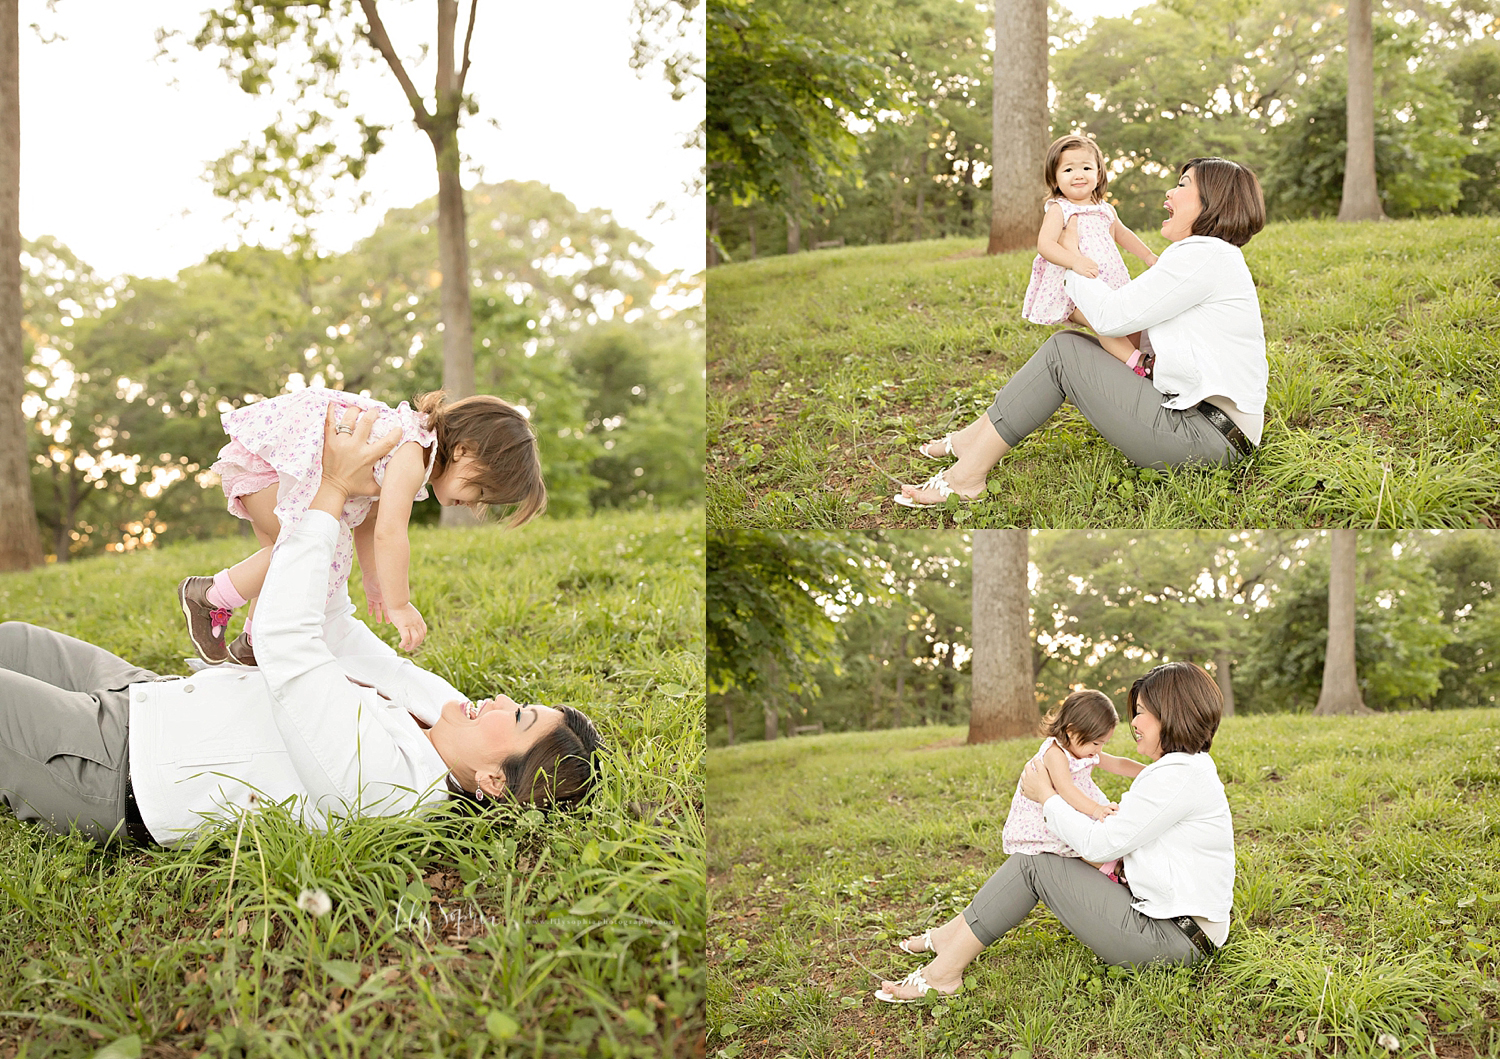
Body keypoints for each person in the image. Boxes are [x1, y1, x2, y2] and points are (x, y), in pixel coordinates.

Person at [0, 406, 602, 850]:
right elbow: (335, 631)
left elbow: (291, 647)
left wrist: (332, 493)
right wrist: (340, 549)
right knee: (17, 639)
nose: (499, 700)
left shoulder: (391, 785)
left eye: (517, 716)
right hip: (146, 696)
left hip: (113, 764)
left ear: (495, 781)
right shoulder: (441, 708)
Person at [899, 157, 1267, 508]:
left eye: (1183, 185)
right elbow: (1132, 324)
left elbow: (1112, 316)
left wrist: (1072, 259)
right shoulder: (1208, 256)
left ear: (1214, 201)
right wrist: (1082, 314)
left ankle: (965, 481)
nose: (1169, 193)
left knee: (1064, 354)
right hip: (1206, 428)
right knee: (1069, 345)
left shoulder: (1203, 255)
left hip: (1206, 439)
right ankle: (969, 442)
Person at [877, 662, 1233, 1004]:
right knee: (1036, 858)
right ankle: (946, 940)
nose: (1134, 723)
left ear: (1171, 713)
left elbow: (1099, 844)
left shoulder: (1178, 774)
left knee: (1035, 863)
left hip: (1172, 940)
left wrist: (1045, 797)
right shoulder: (1184, 769)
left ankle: (942, 978)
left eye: (1140, 712)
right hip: (1177, 929)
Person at [179, 387, 546, 666]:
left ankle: (253, 643)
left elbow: (369, 521)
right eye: (479, 488)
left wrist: (373, 577)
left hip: (272, 467)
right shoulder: (413, 452)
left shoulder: (413, 449)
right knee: (315, 551)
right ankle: (211, 596)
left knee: (289, 556)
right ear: (464, 450)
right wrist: (399, 604)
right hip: (274, 467)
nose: (474, 503)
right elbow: (390, 531)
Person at [1019, 135, 1157, 375]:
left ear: (1099, 174)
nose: (1079, 174)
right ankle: (1139, 362)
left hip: (1111, 282)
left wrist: (1148, 256)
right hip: (1074, 287)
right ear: (1055, 177)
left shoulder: (1105, 209)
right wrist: (1075, 261)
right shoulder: (1059, 209)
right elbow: (1046, 244)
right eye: (1069, 169)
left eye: (1086, 167)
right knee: (1103, 321)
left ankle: (1128, 366)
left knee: (1129, 321)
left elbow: (1123, 235)